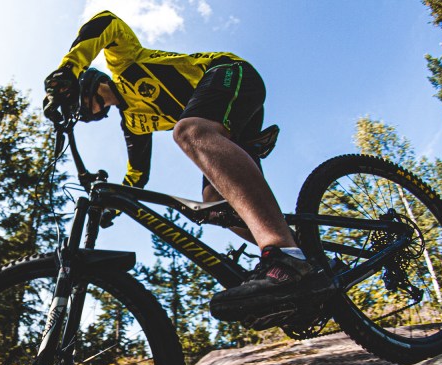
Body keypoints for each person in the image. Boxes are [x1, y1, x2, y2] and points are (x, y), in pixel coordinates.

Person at [44, 11, 334, 330]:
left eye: (83, 108)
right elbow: (138, 174)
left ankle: (284, 255)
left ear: (88, 86)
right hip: (225, 122)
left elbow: (105, 22)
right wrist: (112, 211)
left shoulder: (123, 61)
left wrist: (70, 67)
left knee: (188, 131)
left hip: (228, 73)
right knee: (212, 201)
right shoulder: (134, 123)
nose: (90, 115)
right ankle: (305, 255)